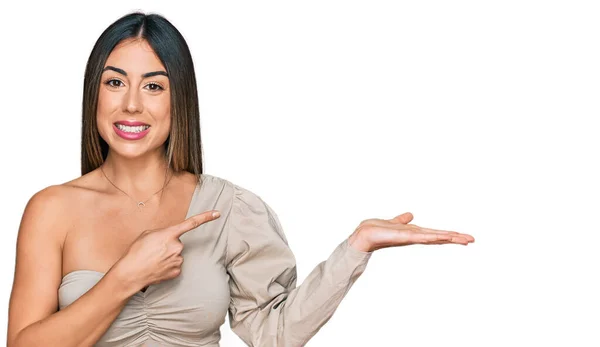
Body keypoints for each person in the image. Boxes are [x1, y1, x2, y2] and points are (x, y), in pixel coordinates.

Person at [6, 11, 475, 347]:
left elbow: (275, 334)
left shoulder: (228, 209)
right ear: (95, 94)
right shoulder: (52, 210)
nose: (131, 104)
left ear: (179, 99)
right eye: (114, 82)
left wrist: (356, 248)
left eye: (153, 85)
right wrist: (126, 277)